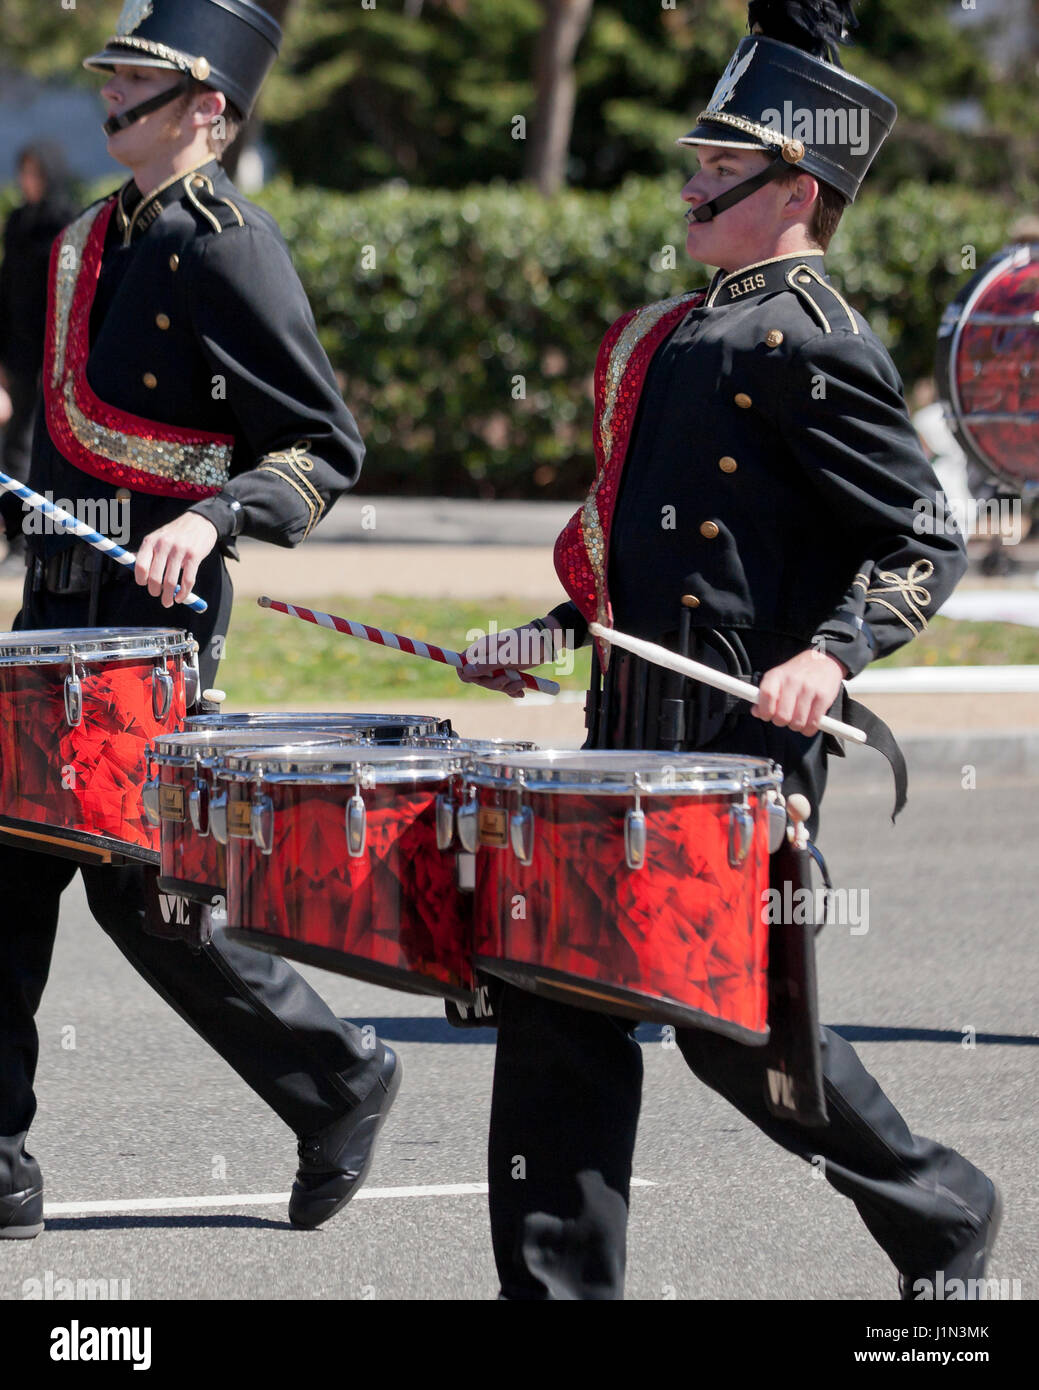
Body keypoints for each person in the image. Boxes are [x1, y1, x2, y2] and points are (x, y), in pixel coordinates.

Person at [459, 0, 1000, 1300]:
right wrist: (542, 634)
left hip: (737, 762)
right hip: (626, 746)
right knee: (551, 1000)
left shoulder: (808, 340)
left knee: (739, 1036)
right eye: (694, 162)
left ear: (793, 188)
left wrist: (830, 656)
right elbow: (638, 566)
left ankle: (940, 1210)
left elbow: (922, 536)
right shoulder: (665, 335)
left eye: (719, 168)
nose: (690, 184)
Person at [0, 0, 399, 1241]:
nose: (109, 90)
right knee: (10, 864)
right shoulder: (78, 243)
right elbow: (43, 414)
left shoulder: (229, 246)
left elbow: (320, 446)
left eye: (138, 77)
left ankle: (338, 1076)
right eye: (111, 69)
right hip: (57, 596)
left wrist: (216, 517)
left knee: (139, 888)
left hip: (154, 609)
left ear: (204, 110)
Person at [0, 143, 78, 569]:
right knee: (15, 451)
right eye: (22, 171)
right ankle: (17, 543)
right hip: (19, 354)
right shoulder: (17, 223)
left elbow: (65, 298)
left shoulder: (67, 223)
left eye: (33, 172)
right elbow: (6, 291)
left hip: (54, 357)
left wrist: (56, 358)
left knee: (44, 450)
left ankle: (42, 544)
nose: (26, 180)